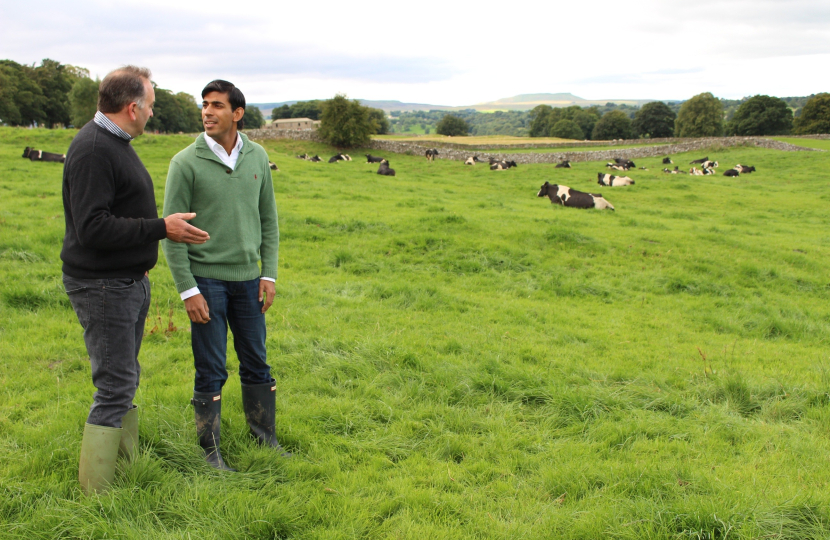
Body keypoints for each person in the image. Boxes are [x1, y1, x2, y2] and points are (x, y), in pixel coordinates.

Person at [61, 65, 210, 495]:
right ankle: (97, 495)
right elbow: (93, 228)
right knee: (114, 386)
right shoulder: (94, 149)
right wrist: (161, 228)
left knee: (123, 378)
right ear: (132, 107)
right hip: (103, 285)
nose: (151, 114)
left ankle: (122, 469)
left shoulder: (113, 142)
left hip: (123, 282)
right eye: (150, 107)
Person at [162, 79, 285, 471]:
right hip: (207, 281)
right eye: (204, 105)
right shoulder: (185, 162)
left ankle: (265, 438)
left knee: (257, 362)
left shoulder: (257, 156)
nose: (207, 112)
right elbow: (171, 232)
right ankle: (210, 451)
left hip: (249, 279)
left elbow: (269, 220)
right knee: (211, 366)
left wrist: (269, 275)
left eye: (217, 105)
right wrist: (187, 289)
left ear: (237, 113)